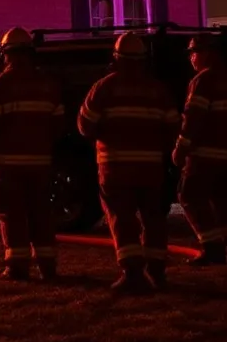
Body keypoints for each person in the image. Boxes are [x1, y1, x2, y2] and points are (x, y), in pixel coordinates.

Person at [78, 32, 181, 293]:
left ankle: (132, 273)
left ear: (116, 58)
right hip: (150, 168)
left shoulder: (104, 88)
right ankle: (156, 272)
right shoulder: (158, 90)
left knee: (122, 218)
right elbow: (172, 127)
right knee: (153, 218)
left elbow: (85, 126)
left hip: (115, 169)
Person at [0, 27, 64, 281]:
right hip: (40, 165)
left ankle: (17, 268)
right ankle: (48, 268)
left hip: (8, 166)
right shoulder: (48, 84)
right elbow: (59, 126)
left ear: (7, 54)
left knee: (12, 216)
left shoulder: (0, 84)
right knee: (41, 214)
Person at [175, 33, 227, 265]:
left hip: (204, 155)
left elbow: (193, 119)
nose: (192, 58)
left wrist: (181, 148)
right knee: (222, 199)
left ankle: (212, 247)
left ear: (207, 53)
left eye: (193, 53)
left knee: (188, 196)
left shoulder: (202, 81)